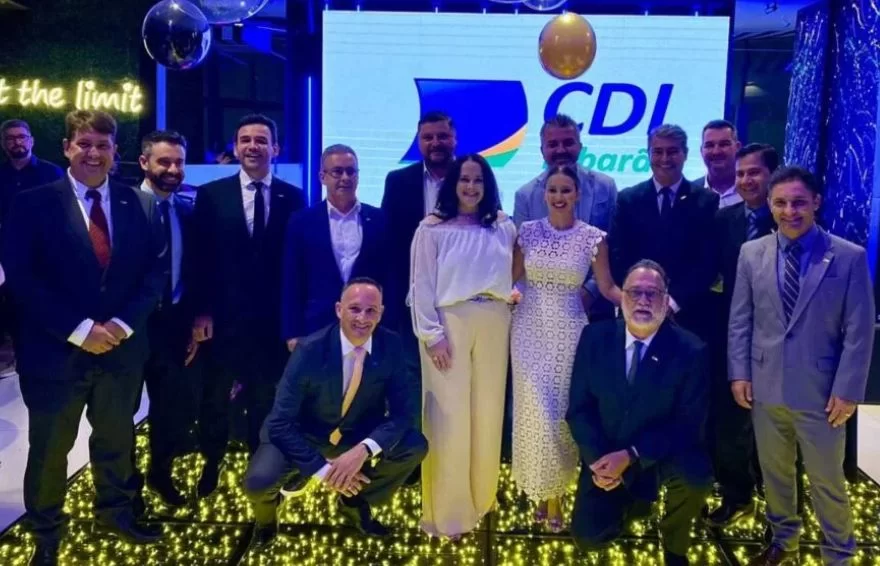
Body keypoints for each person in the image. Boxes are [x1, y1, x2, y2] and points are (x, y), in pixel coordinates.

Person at [1, 110, 167, 566]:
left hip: (120, 351)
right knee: (50, 450)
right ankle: (46, 531)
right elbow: (23, 279)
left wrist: (120, 326)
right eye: (84, 144)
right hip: (55, 354)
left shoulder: (139, 203)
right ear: (67, 148)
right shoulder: (32, 204)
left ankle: (115, 514)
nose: (93, 153)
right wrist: (80, 330)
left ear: (115, 152)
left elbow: (154, 273)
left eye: (103, 145)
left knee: (116, 441)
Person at [729, 166, 874, 566]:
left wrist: (848, 390)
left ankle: (838, 553)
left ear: (815, 203)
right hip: (765, 387)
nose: (789, 211)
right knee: (776, 475)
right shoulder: (751, 253)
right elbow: (741, 319)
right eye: (780, 203)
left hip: (823, 394)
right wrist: (739, 373)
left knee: (828, 481)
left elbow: (859, 331)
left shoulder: (848, 256)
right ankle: (784, 541)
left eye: (798, 203)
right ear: (769, 205)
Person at [243, 278, 427, 549]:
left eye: (371, 311)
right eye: (354, 309)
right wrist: (322, 469)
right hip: (304, 435)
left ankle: (353, 501)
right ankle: (267, 521)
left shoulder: (392, 345)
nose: (362, 318)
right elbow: (280, 422)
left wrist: (364, 450)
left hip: (355, 434)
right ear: (339, 309)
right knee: (258, 483)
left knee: (414, 445)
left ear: (381, 313)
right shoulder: (309, 350)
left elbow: (403, 413)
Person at [190, 114, 306, 497]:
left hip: (272, 322)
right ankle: (212, 460)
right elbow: (200, 259)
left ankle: (260, 464)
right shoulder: (212, 195)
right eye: (245, 140)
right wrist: (202, 311)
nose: (253, 146)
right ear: (236, 147)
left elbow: (297, 264)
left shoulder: (294, 197)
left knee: (264, 397)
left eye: (261, 140)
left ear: (276, 148)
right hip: (223, 320)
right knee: (215, 397)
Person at [566, 260, 711, 566]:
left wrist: (632, 454)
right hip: (607, 452)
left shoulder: (691, 351)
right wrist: (598, 462)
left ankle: (674, 541)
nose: (643, 301)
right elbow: (579, 409)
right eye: (634, 292)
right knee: (588, 537)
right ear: (622, 297)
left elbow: (688, 425)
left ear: (665, 300)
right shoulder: (594, 337)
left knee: (696, 476)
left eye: (652, 293)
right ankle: (634, 504)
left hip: (659, 455)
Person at [510, 164, 621, 531]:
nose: (559, 196)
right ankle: (540, 489)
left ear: (578, 195)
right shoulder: (527, 232)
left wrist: (639, 301)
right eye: (553, 190)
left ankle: (556, 491)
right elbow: (509, 279)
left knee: (558, 415)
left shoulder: (593, 238)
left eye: (566, 190)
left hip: (570, 332)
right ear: (544, 194)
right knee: (533, 413)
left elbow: (607, 287)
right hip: (528, 330)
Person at [409, 154, 515, 537]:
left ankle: (481, 500)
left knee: (488, 414)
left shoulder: (503, 225)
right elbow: (421, 285)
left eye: (478, 180)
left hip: (495, 321)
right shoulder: (431, 228)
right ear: (452, 184)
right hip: (449, 323)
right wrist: (431, 334)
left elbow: (516, 272)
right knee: (449, 419)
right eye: (464, 180)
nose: (471, 187)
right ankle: (450, 514)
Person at [704, 143, 778, 528]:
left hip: (781, 342)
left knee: (779, 427)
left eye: (755, 172)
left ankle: (780, 508)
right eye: (741, 173)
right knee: (729, 423)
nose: (746, 180)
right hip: (730, 336)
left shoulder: (790, 219)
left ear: (772, 175)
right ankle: (738, 497)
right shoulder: (723, 220)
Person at [135, 130, 198, 507]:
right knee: (121, 413)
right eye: (164, 162)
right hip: (130, 327)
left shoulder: (188, 211)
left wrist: (193, 322)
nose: (173, 169)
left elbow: (196, 273)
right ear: (144, 162)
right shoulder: (123, 206)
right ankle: (125, 489)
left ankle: (159, 474)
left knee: (169, 409)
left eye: (179, 162)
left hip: (174, 325)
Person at [609, 124, 719, 339]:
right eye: (658, 151)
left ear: (685, 154)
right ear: (648, 154)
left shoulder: (706, 201)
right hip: (636, 311)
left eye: (672, 151)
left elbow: (708, 262)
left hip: (687, 315)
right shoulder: (628, 199)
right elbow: (618, 256)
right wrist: (641, 297)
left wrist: (672, 302)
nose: (665, 158)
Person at [282, 144, 388, 349]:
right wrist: (292, 332)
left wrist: (389, 326)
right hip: (315, 326)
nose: (345, 178)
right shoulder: (301, 221)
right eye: (337, 171)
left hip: (368, 326)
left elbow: (388, 276)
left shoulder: (378, 219)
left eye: (351, 171)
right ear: (322, 177)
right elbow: (292, 279)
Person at [512, 113, 618, 319]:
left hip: (597, 306)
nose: (561, 150)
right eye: (553, 144)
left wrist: (588, 293)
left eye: (568, 142)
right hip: (542, 311)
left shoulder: (605, 186)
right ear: (542, 150)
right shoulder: (525, 196)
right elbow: (521, 260)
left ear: (580, 146)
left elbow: (614, 246)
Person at [381, 111, 457, 359]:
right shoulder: (397, 181)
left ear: (454, 138)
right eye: (428, 137)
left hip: (459, 294)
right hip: (410, 296)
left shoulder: (472, 178)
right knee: (411, 369)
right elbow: (388, 241)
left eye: (442, 136)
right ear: (418, 141)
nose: (435, 143)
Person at [0, 119, 64, 381]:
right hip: (5, 258)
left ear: (31, 141)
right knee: (11, 311)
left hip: (43, 257)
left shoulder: (52, 173)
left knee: (41, 308)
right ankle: (16, 359)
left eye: (22, 137)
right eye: (11, 138)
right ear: (3, 143)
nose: (17, 142)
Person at [693, 119, 742, 209]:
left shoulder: (754, 191)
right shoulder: (689, 194)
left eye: (724, 144)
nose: (716, 152)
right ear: (701, 150)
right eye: (709, 145)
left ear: (737, 148)